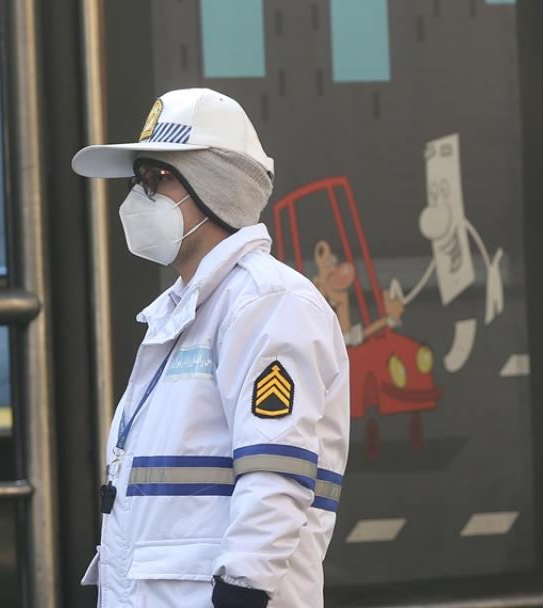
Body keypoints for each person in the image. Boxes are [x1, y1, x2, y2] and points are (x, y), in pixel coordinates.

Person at [71, 87, 350, 607]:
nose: (137, 198)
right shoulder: (187, 314)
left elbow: (275, 477)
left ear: (213, 185)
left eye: (156, 178)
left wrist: (241, 593)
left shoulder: (269, 304)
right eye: (136, 181)